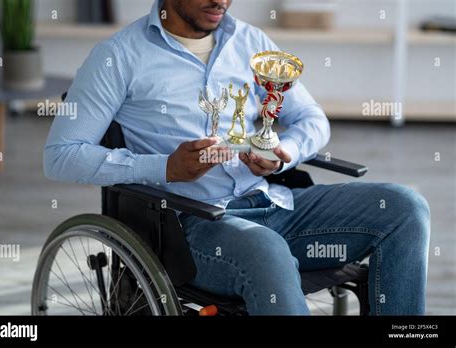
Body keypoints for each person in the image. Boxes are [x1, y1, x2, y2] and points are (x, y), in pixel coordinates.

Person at [44, 0, 431, 315]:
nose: (221, 1)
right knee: (265, 249)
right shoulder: (117, 56)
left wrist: (283, 155)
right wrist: (165, 167)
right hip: (191, 228)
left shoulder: (251, 42)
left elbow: (311, 119)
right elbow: (60, 155)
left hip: (273, 203)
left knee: (405, 208)